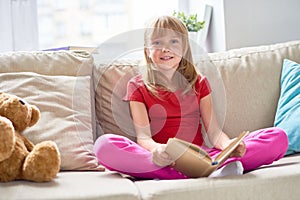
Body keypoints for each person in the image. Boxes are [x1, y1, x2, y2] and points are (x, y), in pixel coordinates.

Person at [93, 15, 288, 179]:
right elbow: (143, 137)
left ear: (184, 48)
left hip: (201, 156)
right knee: (104, 145)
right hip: (163, 158)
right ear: (147, 50)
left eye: (174, 41)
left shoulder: (199, 83)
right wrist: (158, 151)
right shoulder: (137, 86)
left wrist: (229, 145)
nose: (165, 49)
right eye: (157, 43)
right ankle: (209, 172)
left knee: (277, 137)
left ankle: (210, 167)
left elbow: (214, 133)